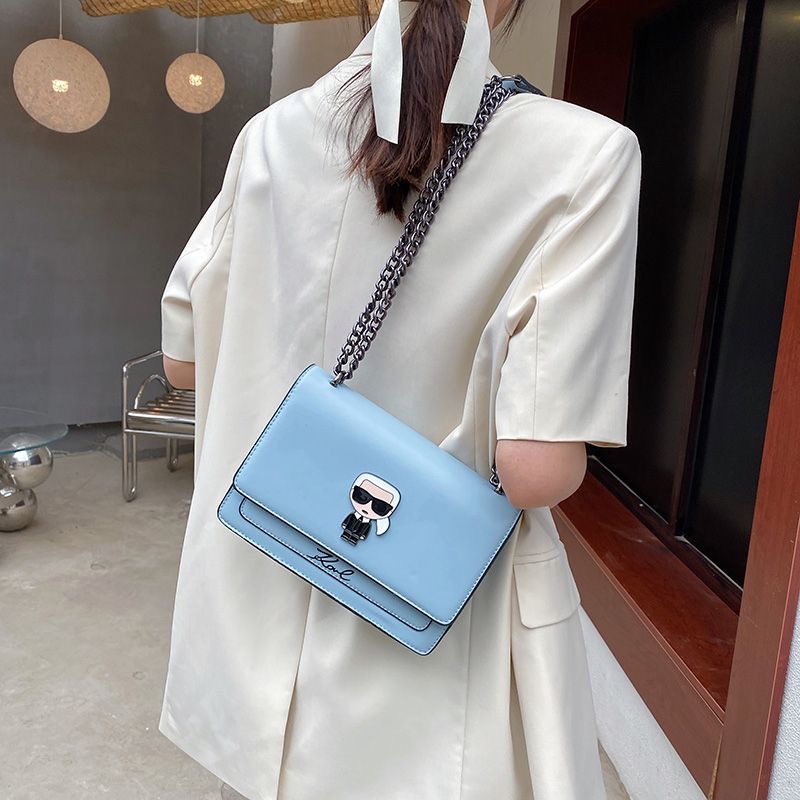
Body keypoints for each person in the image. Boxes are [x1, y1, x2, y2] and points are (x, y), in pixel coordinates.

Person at [157, 0, 642, 797]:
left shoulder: (271, 136)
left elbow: (183, 364)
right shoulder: (588, 156)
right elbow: (534, 470)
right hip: (429, 649)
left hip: (256, 608)